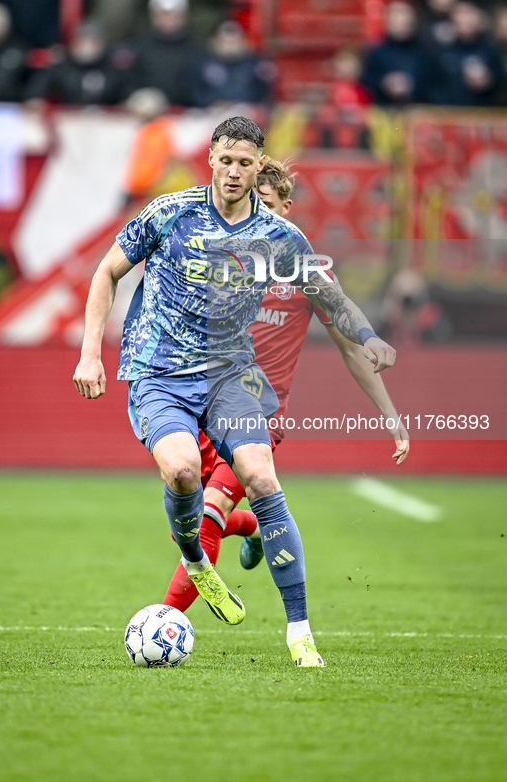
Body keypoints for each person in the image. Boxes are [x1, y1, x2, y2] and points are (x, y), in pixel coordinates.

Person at [73, 115, 397, 668]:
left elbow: (333, 299)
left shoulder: (279, 237)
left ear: (258, 166)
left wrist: (369, 336)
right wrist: (88, 352)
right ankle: (196, 559)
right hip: (160, 372)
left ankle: (300, 633)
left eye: (245, 163)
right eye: (225, 160)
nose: (233, 171)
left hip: (229, 379)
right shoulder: (170, 213)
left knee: (261, 475)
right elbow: (107, 271)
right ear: (212, 159)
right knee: (178, 472)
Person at [162, 157, 409, 613]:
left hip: (258, 416)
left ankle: (165, 622)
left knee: (207, 521)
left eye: (269, 205)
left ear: (288, 208)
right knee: (193, 512)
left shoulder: (306, 273)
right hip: (206, 406)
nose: (259, 213)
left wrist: (391, 415)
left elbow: (350, 349)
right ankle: (253, 528)